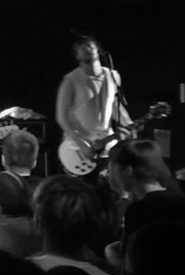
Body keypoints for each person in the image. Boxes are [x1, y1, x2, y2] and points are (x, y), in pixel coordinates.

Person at [55, 35, 132, 176]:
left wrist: (129, 124)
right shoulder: (71, 80)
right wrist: (80, 143)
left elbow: (115, 106)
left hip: (106, 143)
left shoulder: (113, 75)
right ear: (77, 55)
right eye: (81, 48)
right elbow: (62, 117)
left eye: (89, 46)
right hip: (79, 147)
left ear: (98, 50)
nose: (86, 49)